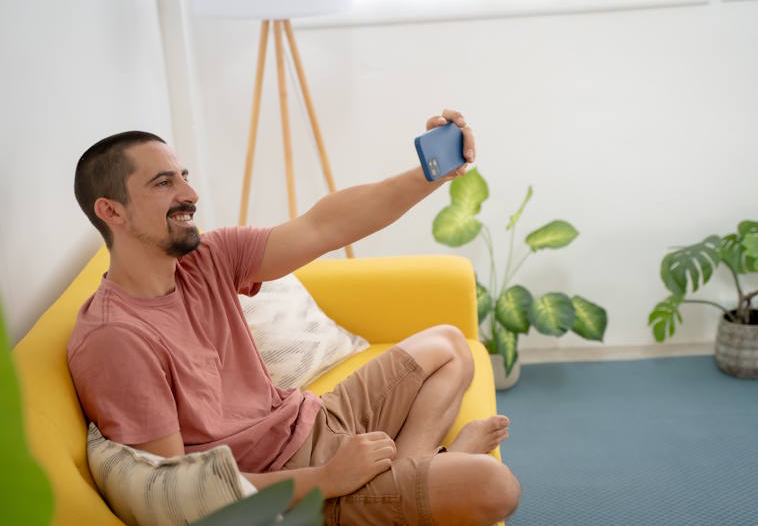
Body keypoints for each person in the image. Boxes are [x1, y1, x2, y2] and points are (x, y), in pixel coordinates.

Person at [67, 109, 520, 525]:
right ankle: (430, 466)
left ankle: (410, 464)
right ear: (112, 211)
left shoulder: (205, 258)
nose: (190, 194)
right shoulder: (115, 338)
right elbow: (183, 490)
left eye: (183, 177)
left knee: (449, 344)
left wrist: (431, 174)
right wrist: (330, 477)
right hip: (292, 483)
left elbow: (324, 226)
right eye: (163, 183)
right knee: (494, 486)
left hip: (311, 418)